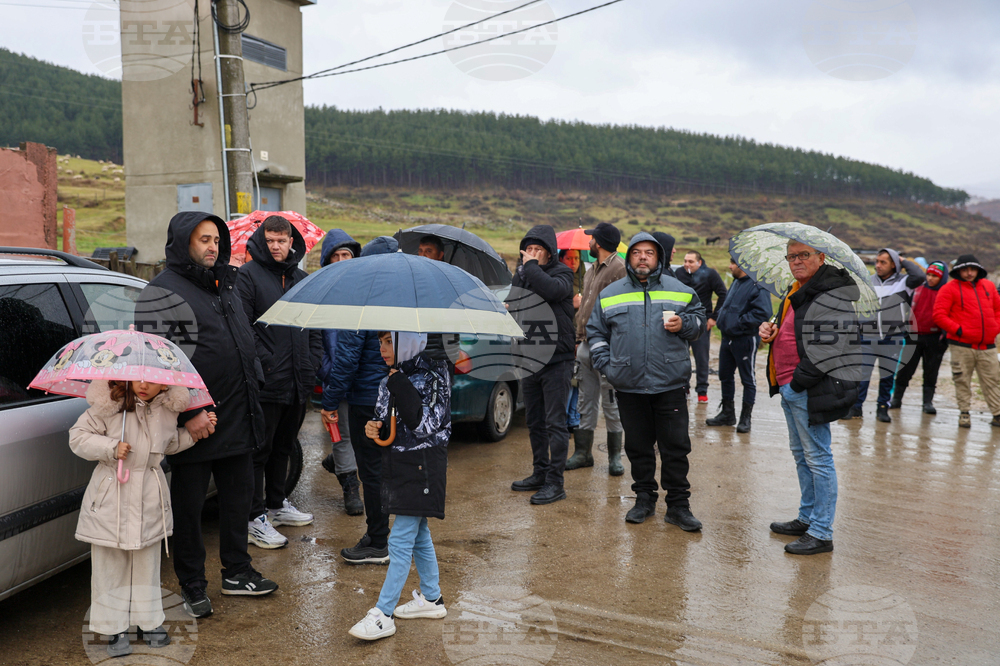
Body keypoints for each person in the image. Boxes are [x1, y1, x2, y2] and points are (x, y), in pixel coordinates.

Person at [137, 212, 276, 619]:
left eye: (216, 239)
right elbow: (163, 363)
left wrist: (257, 379)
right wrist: (193, 410)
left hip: (237, 413)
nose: (213, 247)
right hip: (195, 425)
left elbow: (241, 339)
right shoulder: (163, 292)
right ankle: (192, 585)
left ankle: (237, 571)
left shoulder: (225, 283)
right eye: (203, 240)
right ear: (183, 243)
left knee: (237, 503)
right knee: (191, 510)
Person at [70, 380, 211, 657]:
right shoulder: (109, 405)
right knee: (110, 566)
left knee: (147, 564)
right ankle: (113, 629)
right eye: (139, 379)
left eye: (154, 381)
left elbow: (168, 444)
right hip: (112, 494)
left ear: (166, 383)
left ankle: (148, 622)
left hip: (148, 495)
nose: (144, 385)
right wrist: (111, 447)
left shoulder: (166, 410)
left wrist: (192, 436)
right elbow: (78, 437)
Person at [587, 232, 706, 531]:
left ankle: (679, 506)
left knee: (676, 447)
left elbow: (700, 322)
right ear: (629, 259)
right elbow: (596, 333)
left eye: (649, 253)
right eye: (637, 252)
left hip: (670, 384)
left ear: (659, 258)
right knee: (638, 447)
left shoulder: (680, 290)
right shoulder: (610, 293)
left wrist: (686, 324)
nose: (643, 257)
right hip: (629, 385)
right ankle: (644, 500)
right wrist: (607, 367)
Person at [348, 332, 451, 641]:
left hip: (425, 465)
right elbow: (384, 420)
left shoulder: (436, 373)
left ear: (408, 340)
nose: (382, 350)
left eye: (389, 341)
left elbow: (425, 424)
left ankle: (384, 612)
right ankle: (431, 598)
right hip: (398, 465)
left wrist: (399, 384)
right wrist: (373, 427)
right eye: (380, 342)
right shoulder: (391, 377)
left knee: (401, 538)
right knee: (418, 532)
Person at [760, 240, 860, 555]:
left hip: (808, 387)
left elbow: (831, 346)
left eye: (804, 255)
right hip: (790, 383)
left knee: (818, 457)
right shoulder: (795, 290)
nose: (796, 261)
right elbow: (791, 332)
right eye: (791, 256)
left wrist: (799, 382)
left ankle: (821, 532)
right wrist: (770, 332)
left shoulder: (831, 293)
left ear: (821, 257)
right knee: (802, 455)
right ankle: (807, 517)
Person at [237, 216, 322, 548]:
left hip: (298, 380)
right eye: (270, 240)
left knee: (284, 447)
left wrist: (312, 362)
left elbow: (314, 328)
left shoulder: (303, 280)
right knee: (260, 451)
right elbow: (244, 329)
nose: (275, 246)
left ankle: (276, 505)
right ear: (263, 240)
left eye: (281, 241)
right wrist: (265, 365)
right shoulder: (248, 277)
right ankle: (254, 517)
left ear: (292, 243)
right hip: (266, 382)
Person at [321, 236, 397, 564]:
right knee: (392, 469)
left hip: (367, 401)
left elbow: (347, 361)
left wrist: (330, 402)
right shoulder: (406, 302)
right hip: (398, 398)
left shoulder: (364, 304)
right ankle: (394, 535)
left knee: (373, 472)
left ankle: (378, 541)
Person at [507, 225, 575, 505]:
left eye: (537, 250)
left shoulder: (563, 273)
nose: (531, 255)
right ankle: (540, 472)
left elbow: (551, 291)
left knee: (555, 422)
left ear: (550, 252)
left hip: (557, 358)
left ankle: (556, 483)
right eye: (528, 250)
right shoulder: (523, 275)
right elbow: (513, 301)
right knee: (534, 421)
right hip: (529, 357)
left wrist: (530, 268)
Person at [566, 223, 626, 475]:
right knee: (585, 401)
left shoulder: (619, 269)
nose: (588, 243)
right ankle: (583, 454)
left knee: (611, 402)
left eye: (591, 240)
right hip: (585, 345)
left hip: (608, 348)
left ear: (598, 243)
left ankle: (614, 458)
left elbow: (622, 312)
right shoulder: (592, 271)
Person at [316, 229, 364, 516]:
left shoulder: (365, 291)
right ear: (327, 260)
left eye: (347, 254)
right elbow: (314, 339)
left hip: (365, 378)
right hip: (335, 377)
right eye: (336, 255)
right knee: (342, 434)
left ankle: (338, 460)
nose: (342, 260)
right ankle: (350, 488)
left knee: (364, 435)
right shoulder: (320, 294)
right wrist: (327, 369)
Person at [846, 248, 924, 422]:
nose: (878, 265)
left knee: (887, 376)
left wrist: (903, 260)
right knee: (862, 375)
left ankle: (883, 408)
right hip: (866, 337)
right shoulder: (867, 281)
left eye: (883, 262)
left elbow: (920, 276)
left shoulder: (904, 282)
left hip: (892, 338)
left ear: (894, 265)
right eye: (877, 261)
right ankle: (856, 407)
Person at [932, 254, 1000, 428]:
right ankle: (964, 413)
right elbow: (939, 315)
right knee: (962, 380)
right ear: (958, 271)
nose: (969, 273)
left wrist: (995, 327)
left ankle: (998, 414)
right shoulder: (949, 289)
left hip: (988, 345)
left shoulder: (989, 286)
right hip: (961, 345)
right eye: (965, 270)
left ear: (978, 270)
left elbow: (998, 310)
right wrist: (959, 330)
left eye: (972, 269)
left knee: (993, 380)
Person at [706, 257, 773, 432]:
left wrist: (738, 323)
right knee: (724, 375)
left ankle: (745, 419)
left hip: (745, 339)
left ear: (744, 266)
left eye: (733, 263)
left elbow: (763, 313)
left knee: (747, 379)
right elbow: (729, 307)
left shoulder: (758, 285)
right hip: (727, 337)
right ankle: (728, 414)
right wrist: (723, 320)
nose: (729, 266)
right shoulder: (737, 282)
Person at [891, 260, 949, 414]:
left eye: (935, 276)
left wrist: (945, 337)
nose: (930, 278)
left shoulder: (946, 293)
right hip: (914, 336)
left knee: (931, 371)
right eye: (928, 274)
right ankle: (896, 399)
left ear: (942, 278)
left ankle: (927, 402)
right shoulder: (917, 289)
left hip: (935, 338)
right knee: (905, 369)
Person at [677, 250, 727, 403]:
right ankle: (683, 388)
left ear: (699, 262)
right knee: (681, 357)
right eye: (685, 261)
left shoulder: (710, 274)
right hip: (682, 321)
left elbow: (723, 294)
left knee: (702, 358)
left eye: (691, 262)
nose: (687, 264)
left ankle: (702, 391)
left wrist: (713, 318)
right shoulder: (679, 273)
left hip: (702, 322)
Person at [560, 249, 585, 433]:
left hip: (582, 335)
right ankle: (562, 420)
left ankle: (573, 419)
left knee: (578, 380)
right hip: (566, 336)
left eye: (576, 258)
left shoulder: (586, 279)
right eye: (569, 258)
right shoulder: (559, 279)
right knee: (568, 380)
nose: (573, 262)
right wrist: (572, 303)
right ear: (561, 258)